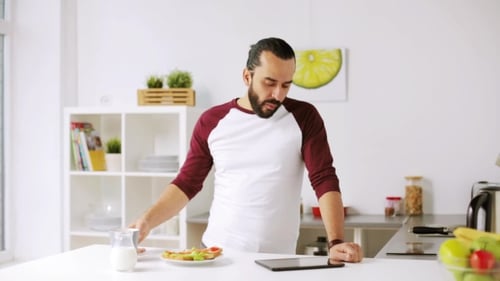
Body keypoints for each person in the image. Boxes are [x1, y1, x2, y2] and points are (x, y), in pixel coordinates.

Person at [130, 37, 363, 263]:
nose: (278, 94)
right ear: (247, 76)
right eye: (269, 83)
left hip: (277, 259)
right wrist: (146, 222)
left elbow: (323, 178)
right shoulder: (212, 120)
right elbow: (187, 183)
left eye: (286, 85)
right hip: (217, 254)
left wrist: (336, 243)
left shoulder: (304, 117)